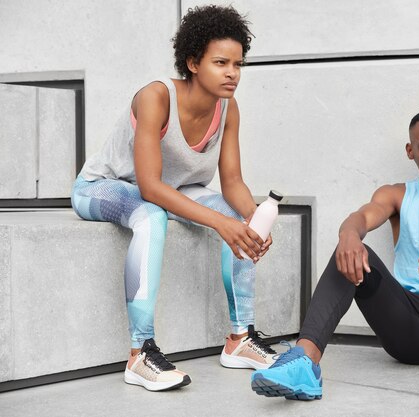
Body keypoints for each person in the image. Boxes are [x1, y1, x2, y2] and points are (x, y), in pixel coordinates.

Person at [251, 107, 419, 412]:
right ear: (411, 151)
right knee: (350, 251)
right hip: (403, 328)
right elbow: (362, 217)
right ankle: (303, 363)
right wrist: (348, 234)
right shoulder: (397, 195)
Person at [71, 5, 277, 392]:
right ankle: (140, 353)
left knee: (244, 219)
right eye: (220, 62)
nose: (232, 72)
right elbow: (149, 187)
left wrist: (253, 220)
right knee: (151, 216)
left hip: (175, 189)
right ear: (193, 62)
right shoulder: (156, 96)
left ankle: (239, 339)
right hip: (102, 187)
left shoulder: (228, 109)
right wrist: (221, 223)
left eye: (238, 63)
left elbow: (231, 180)